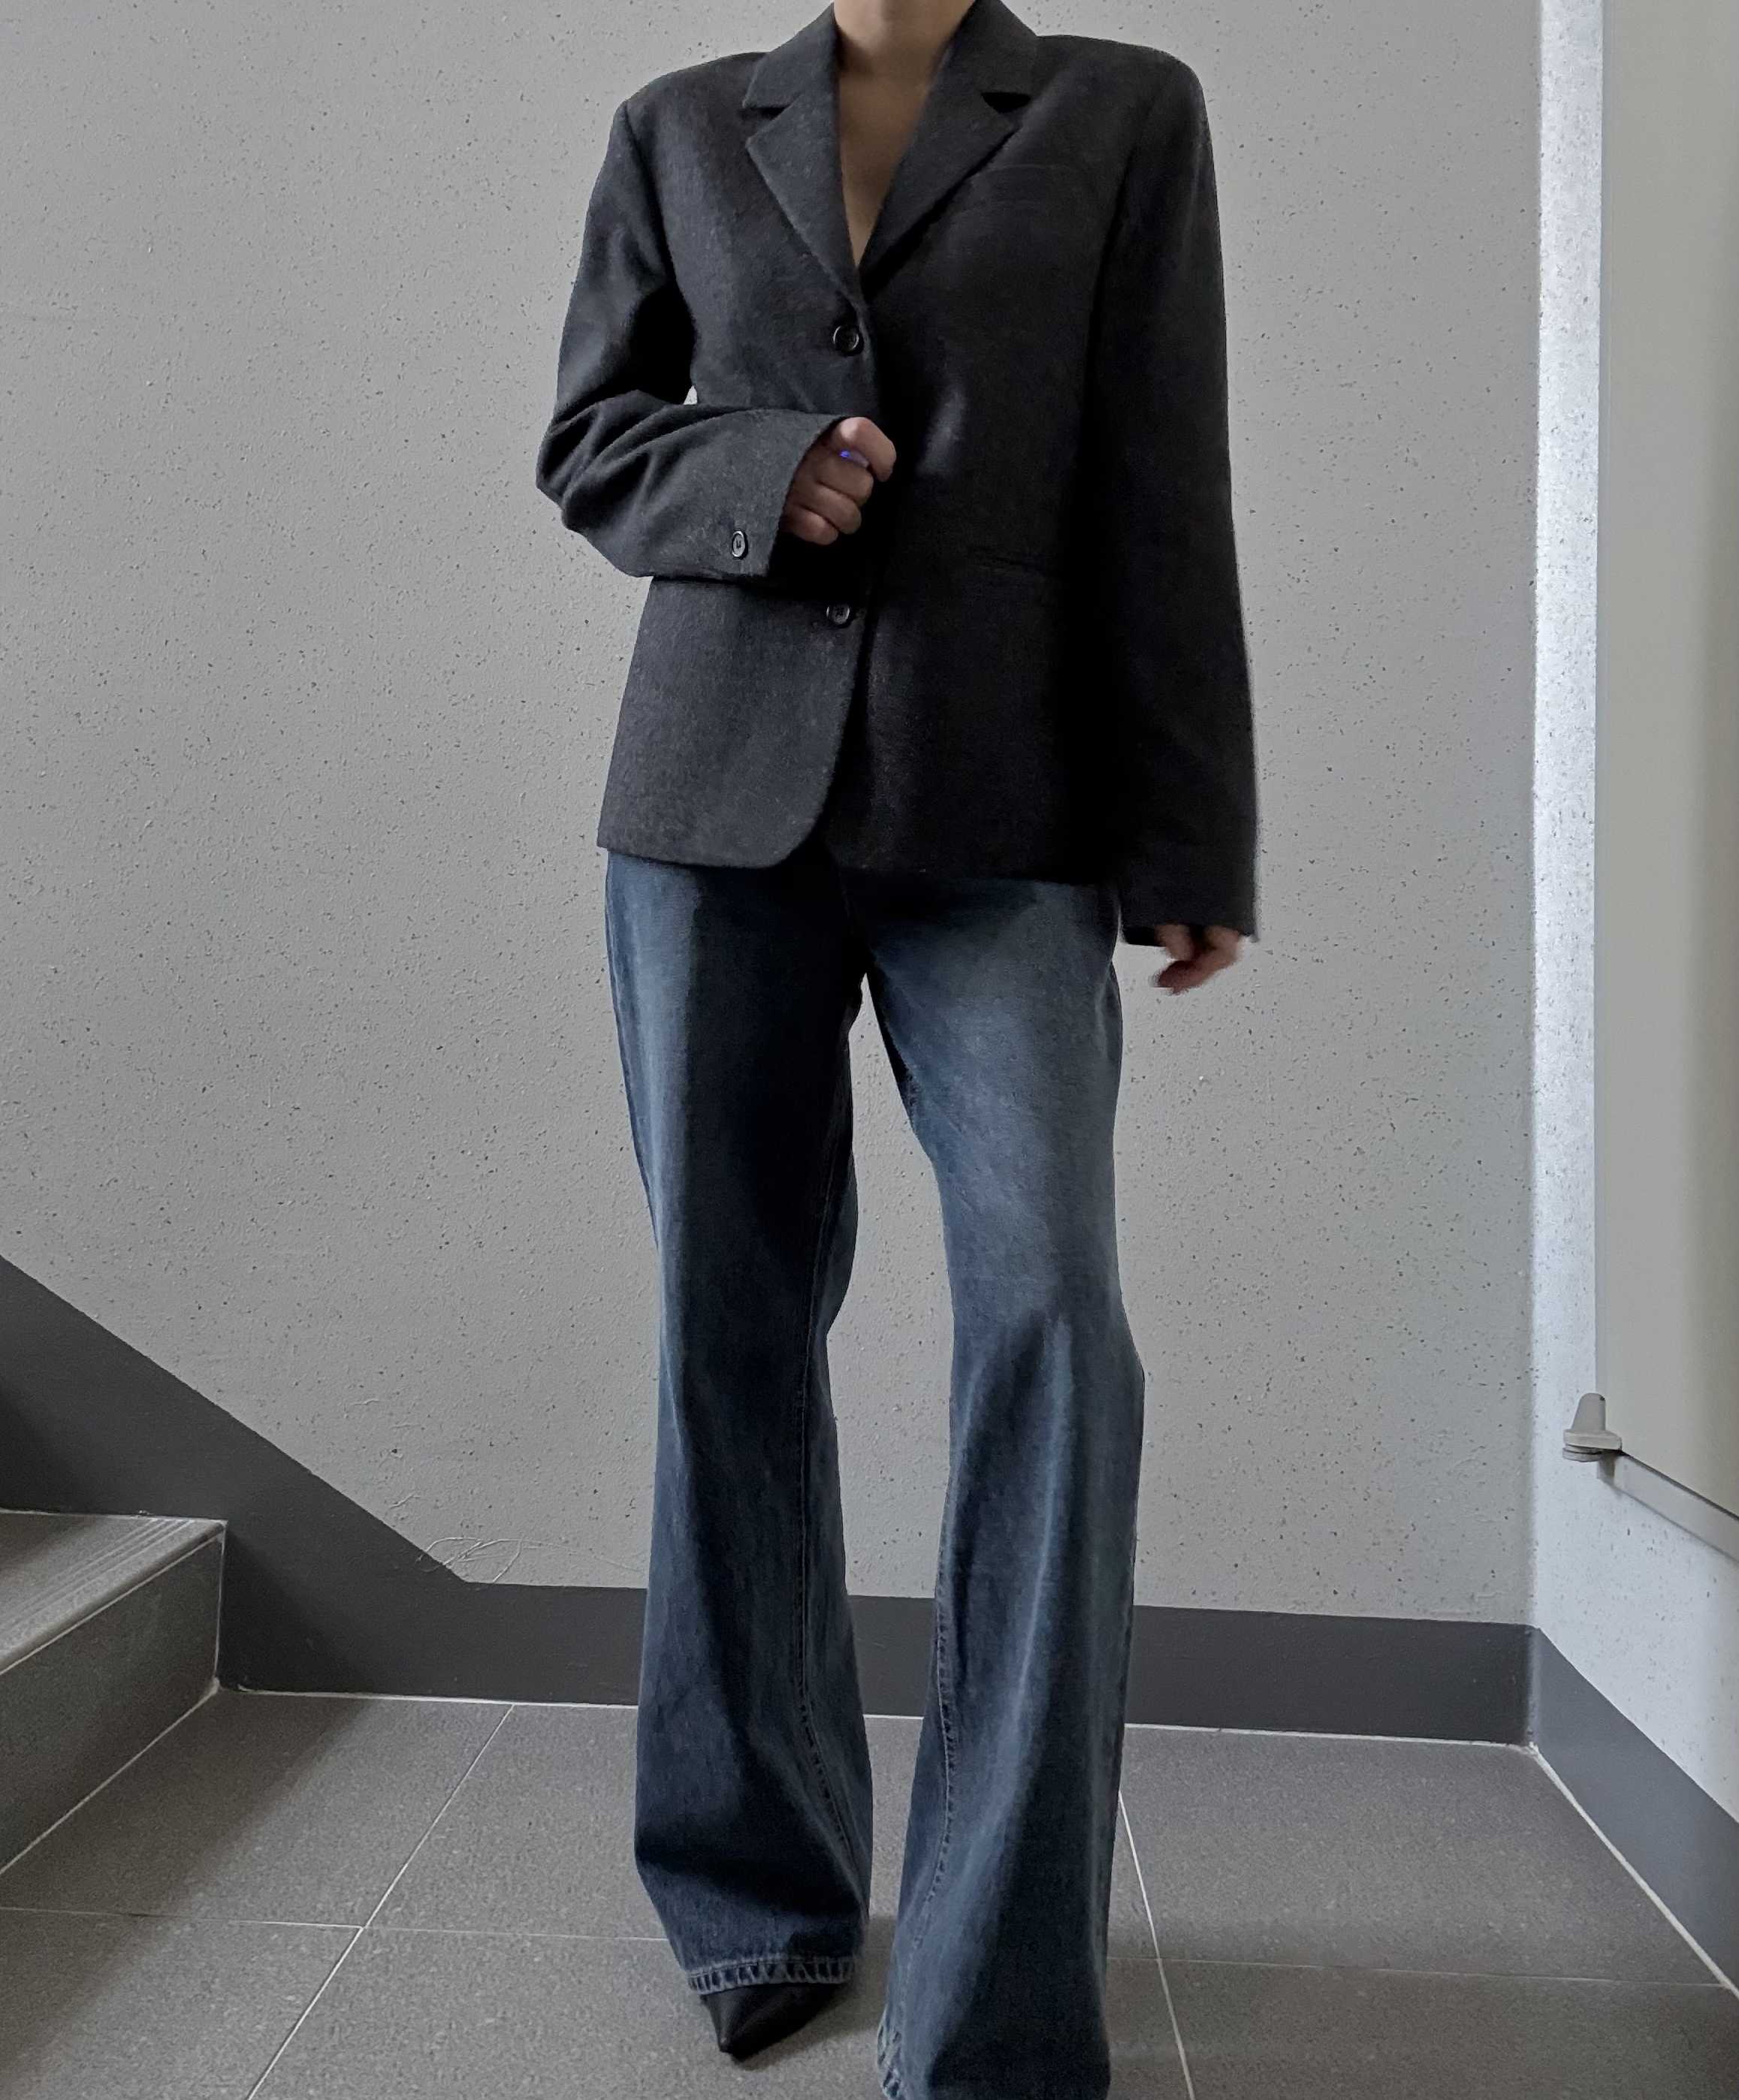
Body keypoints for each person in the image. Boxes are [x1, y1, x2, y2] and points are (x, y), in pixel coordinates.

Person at [534, 0, 1257, 2092]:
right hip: (708, 813)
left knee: (1053, 1328)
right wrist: (761, 471)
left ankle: (995, 1992)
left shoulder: (1121, 111)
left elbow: (1163, 476)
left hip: (1004, 814)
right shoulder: (678, 124)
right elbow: (590, 437)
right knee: (728, 1331)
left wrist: (1188, 832)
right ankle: (753, 1895)